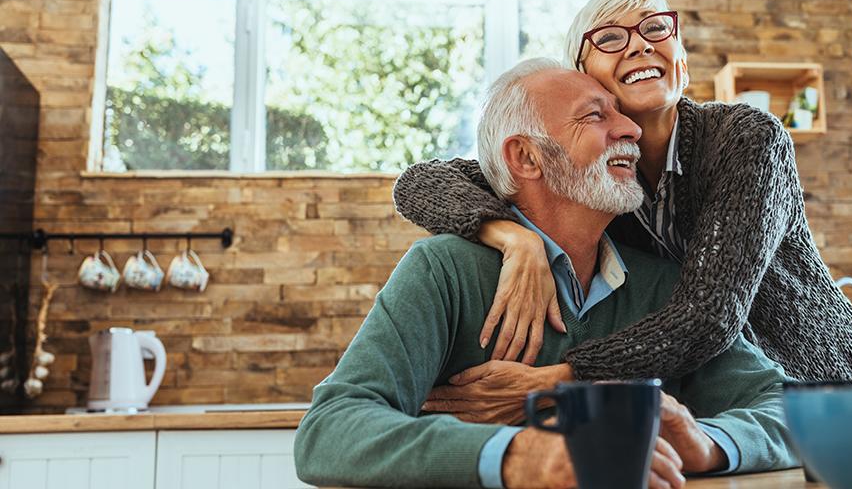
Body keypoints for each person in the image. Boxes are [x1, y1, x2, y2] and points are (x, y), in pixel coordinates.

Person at [294, 59, 798, 489]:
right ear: (526, 157)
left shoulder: (663, 285)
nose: (631, 130)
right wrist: (520, 455)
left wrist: (706, 444)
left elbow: (788, 411)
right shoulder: (445, 269)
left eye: (620, 114)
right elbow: (330, 429)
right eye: (595, 116)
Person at [392, 0, 852, 386]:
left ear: (681, 62)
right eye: (609, 38)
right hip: (715, 395)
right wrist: (512, 236)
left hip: (816, 382)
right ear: (585, 79)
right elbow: (421, 182)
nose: (640, 45)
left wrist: (559, 378)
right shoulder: (591, 176)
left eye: (654, 29)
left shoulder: (748, 139)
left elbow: (709, 315)